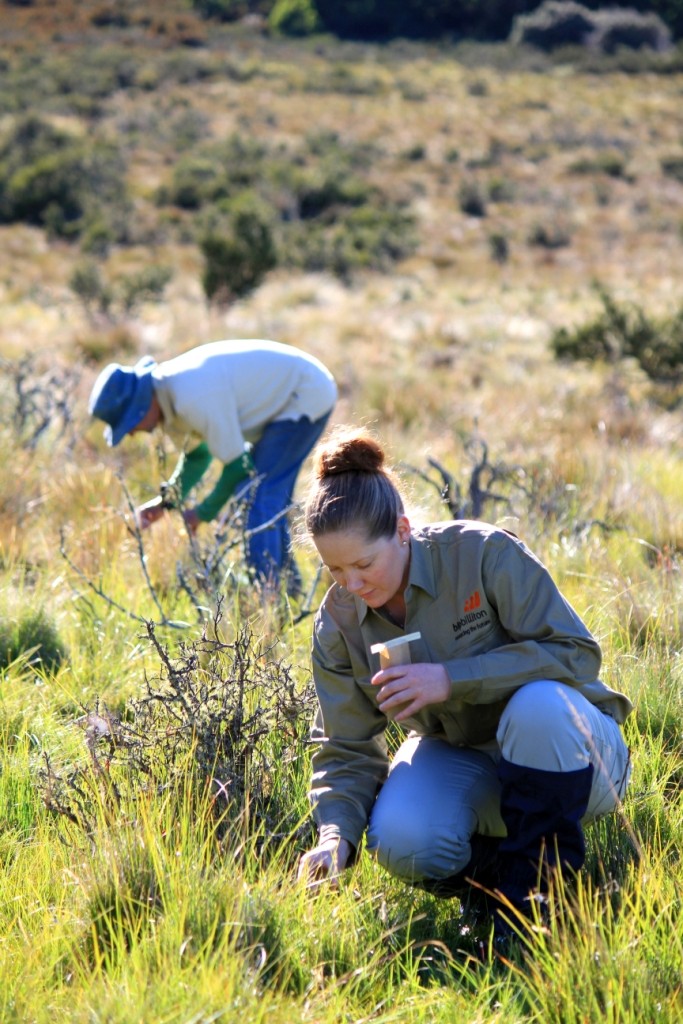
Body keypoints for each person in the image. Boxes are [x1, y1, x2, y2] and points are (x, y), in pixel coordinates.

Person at [297, 429, 633, 939]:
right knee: (401, 837)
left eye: (364, 564)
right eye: (335, 570)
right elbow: (344, 746)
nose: (353, 584)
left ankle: (537, 917)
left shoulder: (481, 554)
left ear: (403, 530)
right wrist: (335, 836)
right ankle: (498, 888)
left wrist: (451, 679)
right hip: (467, 758)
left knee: (536, 707)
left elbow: (576, 655)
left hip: (579, 759)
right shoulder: (339, 622)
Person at [88, 339, 337, 591]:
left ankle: (269, 598)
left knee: (256, 495)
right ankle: (286, 590)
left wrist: (202, 513)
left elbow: (239, 466)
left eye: (128, 424)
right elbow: (198, 457)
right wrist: (165, 504)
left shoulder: (191, 397)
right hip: (291, 397)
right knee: (264, 496)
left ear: (140, 408)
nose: (131, 433)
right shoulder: (168, 403)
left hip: (304, 394)